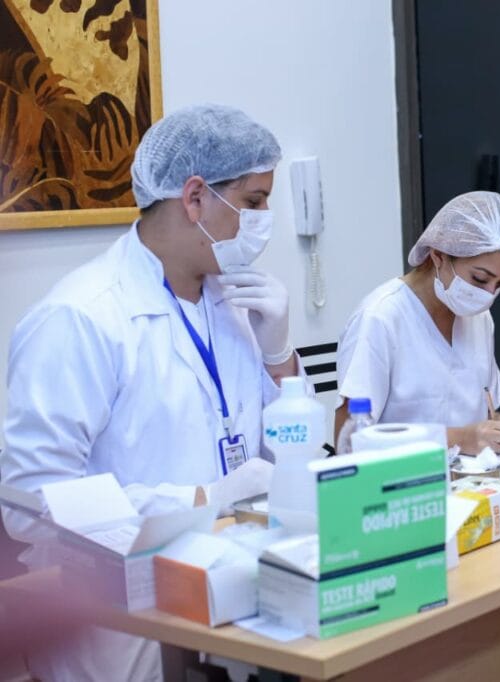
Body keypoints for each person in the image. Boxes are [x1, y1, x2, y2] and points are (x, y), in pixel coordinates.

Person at [1, 104, 300, 681]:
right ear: (195, 198)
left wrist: (278, 357)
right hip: (120, 620)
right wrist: (201, 499)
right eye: (255, 201)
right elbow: (32, 501)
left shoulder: (232, 302)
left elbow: (285, 454)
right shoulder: (82, 317)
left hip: (232, 592)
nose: (264, 220)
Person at [334, 191, 500, 454]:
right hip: (402, 477)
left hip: (471, 474)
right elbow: (349, 442)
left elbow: (485, 415)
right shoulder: (380, 318)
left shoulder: (478, 318)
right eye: (480, 279)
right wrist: (459, 439)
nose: (488, 294)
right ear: (438, 256)